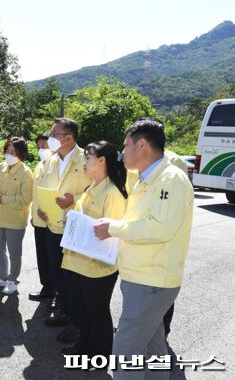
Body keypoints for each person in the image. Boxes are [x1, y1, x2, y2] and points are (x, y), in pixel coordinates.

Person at [94, 118, 193, 379]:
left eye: (126, 146)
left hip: (152, 279)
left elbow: (159, 228)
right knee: (153, 347)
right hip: (142, 276)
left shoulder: (170, 179)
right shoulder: (143, 177)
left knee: (126, 350)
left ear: (142, 145)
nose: (122, 152)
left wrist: (113, 228)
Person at [60, 141, 127, 357]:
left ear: (101, 161)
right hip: (81, 262)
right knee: (84, 312)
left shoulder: (113, 192)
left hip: (98, 266)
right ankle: (83, 348)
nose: (84, 161)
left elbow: (112, 234)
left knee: (97, 313)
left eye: (88, 157)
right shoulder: (91, 187)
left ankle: (99, 354)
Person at [39, 118, 91, 347]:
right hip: (53, 225)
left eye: (54, 134)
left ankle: (78, 324)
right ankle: (65, 311)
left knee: (75, 279)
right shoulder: (51, 161)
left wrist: (75, 200)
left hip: (75, 228)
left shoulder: (87, 158)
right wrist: (42, 209)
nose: (49, 138)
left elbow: (98, 192)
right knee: (58, 274)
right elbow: (46, 190)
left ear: (68, 137)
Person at [0, 137, 33, 295]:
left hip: (16, 220)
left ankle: (13, 279)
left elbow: (25, 199)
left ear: (21, 153)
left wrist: (3, 199)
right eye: (7, 150)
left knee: (14, 252)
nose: (9, 153)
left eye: (13, 151)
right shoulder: (0, 167)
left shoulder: (26, 173)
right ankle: (2, 276)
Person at [29, 133, 55, 301]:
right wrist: (33, 214)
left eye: (44, 145)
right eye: (38, 146)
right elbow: (35, 192)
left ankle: (56, 292)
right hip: (38, 219)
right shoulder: (39, 165)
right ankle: (46, 287)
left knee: (54, 257)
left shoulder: (57, 164)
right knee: (42, 256)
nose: (41, 149)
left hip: (52, 220)